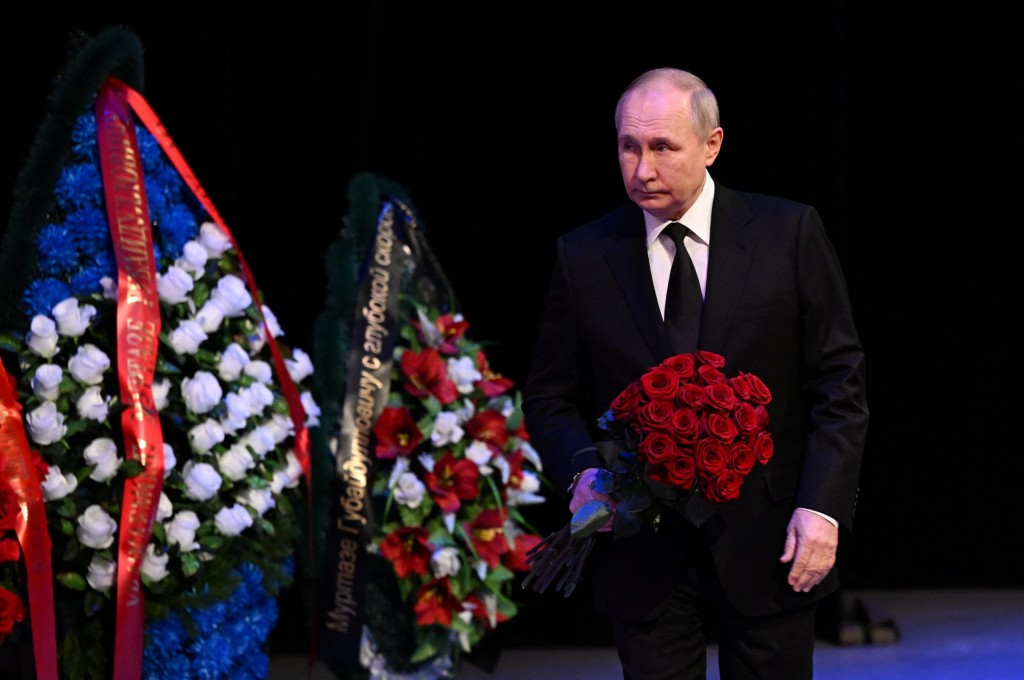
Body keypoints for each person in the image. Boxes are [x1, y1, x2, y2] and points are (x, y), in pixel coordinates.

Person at [522, 67, 868, 679]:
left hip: (771, 541)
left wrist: (823, 509)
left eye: (662, 148)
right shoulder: (584, 254)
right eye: (629, 147)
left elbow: (839, 384)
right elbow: (550, 395)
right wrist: (583, 472)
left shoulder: (787, 234)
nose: (642, 169)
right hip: (641, 548)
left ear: (711, 146)